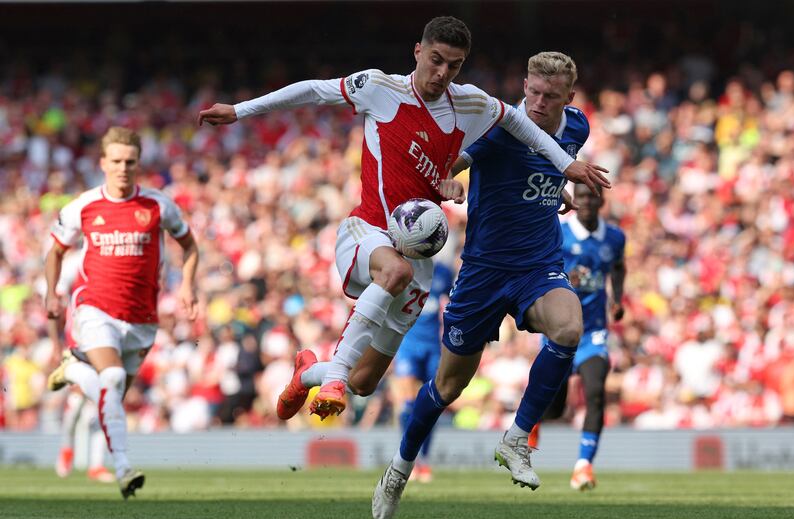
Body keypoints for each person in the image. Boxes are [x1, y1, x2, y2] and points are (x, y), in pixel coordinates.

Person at [198, 16, 609, 423]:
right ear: (418, 51)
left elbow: (520, 125)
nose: (442, 72)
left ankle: (309, 373)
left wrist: (561, 168)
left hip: (420, 254)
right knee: (390, 275)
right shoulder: (380, 88)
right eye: (436, 60)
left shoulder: (468, 102)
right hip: (368, 230)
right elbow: (313, 91)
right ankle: (335, 376)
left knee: (365, 381)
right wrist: (239, 109)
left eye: (454, 65)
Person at [372, 51, 596, 519]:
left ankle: (516, 439)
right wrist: (451, 182)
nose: (536, 103)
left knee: (570, 329)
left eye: (549, 96)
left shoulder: (577, 126)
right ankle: (399, 468)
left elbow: (553, 165)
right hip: (482, 273)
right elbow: (455, 160)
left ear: (568, 98)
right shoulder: (501, 125)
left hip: (538, 265)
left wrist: (559, 191)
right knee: (448, 386)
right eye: (531, 91)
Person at [44, 126, 199, 499]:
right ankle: (123, 467)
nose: (123, 168)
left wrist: (188, 285)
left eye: (130, 161)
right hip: (95, 309)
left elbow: (190, 246)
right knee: (111, 378)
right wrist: (51, 293)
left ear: (138, 163)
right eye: (116, 161)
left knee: (111, 395)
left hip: (142, 319)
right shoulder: (83, 206)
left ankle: (75, 370)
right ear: (103, 163)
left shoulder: (158, 206)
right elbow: (54, 251)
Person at [529, 182, 626, 491]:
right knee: (555, 409)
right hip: (560, 329)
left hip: (594, 332)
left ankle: (584, 466)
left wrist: (618, 299)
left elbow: (619, 267)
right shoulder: (557, 231)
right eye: (580, 195)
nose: (585, 201)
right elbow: (537, 268)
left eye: (591, 196)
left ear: (601, 199)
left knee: (596, 391)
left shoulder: (614, 237)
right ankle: (532, 420)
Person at [46, 250, 114, 483]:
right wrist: (57, 344)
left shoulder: (111, 266)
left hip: (103, 344)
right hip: (77, 346)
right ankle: (66, 450)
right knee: (75, 406)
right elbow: (54, 306)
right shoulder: (75, 266)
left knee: (100, 407)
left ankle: (96, 465)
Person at [392, 261, 454, 483]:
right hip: (408, 343)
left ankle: (424, 459)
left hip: (433, 346)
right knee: (407, 402)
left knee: (432, 403)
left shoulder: (444, 272)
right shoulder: (403, 266)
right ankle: (408, 458)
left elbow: (450, 301)